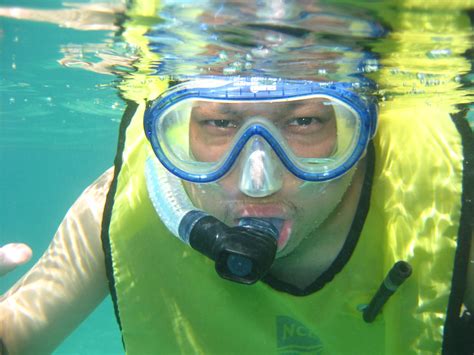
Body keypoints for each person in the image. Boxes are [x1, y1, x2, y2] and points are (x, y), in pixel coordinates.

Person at [1, 1, 473, 354]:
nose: (257, 180)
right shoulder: (122, 207)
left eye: (305, 122)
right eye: (219, 124)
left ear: (363, 132)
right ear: (177, 131)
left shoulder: (445, 199)